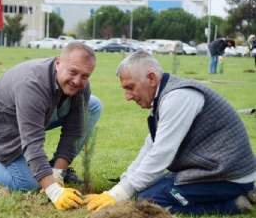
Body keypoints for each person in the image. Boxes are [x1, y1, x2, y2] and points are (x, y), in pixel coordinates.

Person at [85, 50, 256, 215]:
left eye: (130, 87)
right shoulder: (165, 97)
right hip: (209, 170)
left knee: (149, 201)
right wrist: (121, 187)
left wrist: (120, 194)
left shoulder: (178, 97)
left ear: (151, 78)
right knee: (144, 189)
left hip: (228, 176)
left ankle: (233, 204)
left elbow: (161, 153)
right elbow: (151, 147)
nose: (128, 96)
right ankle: (239, 194)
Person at [0, 41, 102, 210]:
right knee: (29, 184)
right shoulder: (33, 83)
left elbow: (74, 131)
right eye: (73, 71)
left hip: (39, 111)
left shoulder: (80, 87)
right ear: (58, 63)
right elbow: (32, 141)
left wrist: (57, 175)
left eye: (85, 76)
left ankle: (53, 169)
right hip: (1, 122)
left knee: (93, 105)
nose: (77, 81)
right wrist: (53, 190)